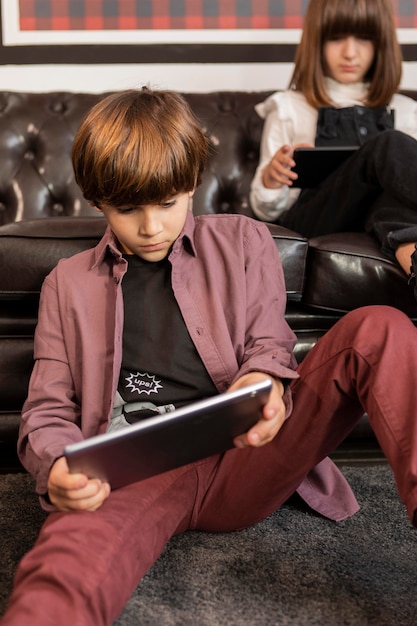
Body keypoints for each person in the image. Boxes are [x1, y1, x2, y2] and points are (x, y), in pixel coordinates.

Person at [2, 87, 417, 626]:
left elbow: (269, 345)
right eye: (128, 210)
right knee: (65, 562)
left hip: (249, 451)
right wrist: (57, 465)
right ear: (96, 200)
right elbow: (47, 411)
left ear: (192, 184)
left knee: (379, 328)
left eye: (168, 203)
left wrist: (263, 385)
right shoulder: (67, 283)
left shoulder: (245, 239)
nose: (151, 226)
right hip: (134, 467)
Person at [250, 0, 417, 295]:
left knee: (388, 207)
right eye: (336, 38)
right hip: (315, 217)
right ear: (317, 41)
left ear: (381, 44)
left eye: (363, 39)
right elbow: (264, 209)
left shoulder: (406, 110)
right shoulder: (289, 106)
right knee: (388, 144)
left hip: (374, 216)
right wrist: (272, 179)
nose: (350, 52)